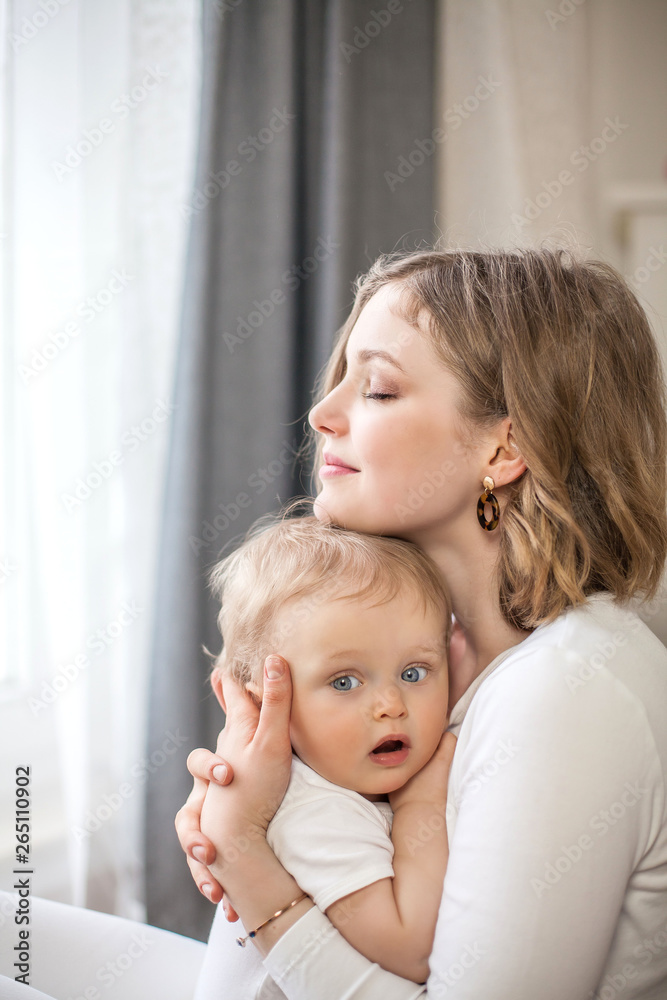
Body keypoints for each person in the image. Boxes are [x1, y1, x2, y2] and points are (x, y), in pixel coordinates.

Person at [178, 247, 667, 1000]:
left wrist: (245, 856)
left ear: (504, 447)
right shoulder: (426, 648)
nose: (321, 414)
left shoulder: (567, 695)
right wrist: (249, 804)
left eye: (375, 389)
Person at [202, 514, 455, 991]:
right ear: (261, 704)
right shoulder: (315, 812)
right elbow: (412, 950)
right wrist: (423, 802)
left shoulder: (344, 779)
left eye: (415, 672)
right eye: (344, 682)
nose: (390, 706)